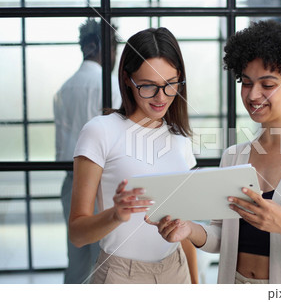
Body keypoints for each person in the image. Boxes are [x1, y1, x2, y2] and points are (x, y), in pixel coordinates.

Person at [151, 20, 281, 284]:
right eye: (246, 82)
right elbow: (223, 237)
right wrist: (188, 228)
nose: (253, 94)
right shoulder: (233, 156)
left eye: (267, 85)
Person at [68, 27, 198, 284]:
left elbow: (185, 228)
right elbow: (77, 234)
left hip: (177, 270)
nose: (161, 97)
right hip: (121, 276)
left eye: (170, 85)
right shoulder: (100, 131)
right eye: (148, 86)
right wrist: (115, 215)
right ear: (127, 79)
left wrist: (195, 285)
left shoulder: (179, 138)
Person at [53, 19, 120, 284]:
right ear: (95, 46)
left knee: (77, 259)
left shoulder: (63, 90)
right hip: (100, 185)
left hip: (70, 183)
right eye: (113, 47)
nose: (115, 55)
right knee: (103, 260)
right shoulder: (110, 86)